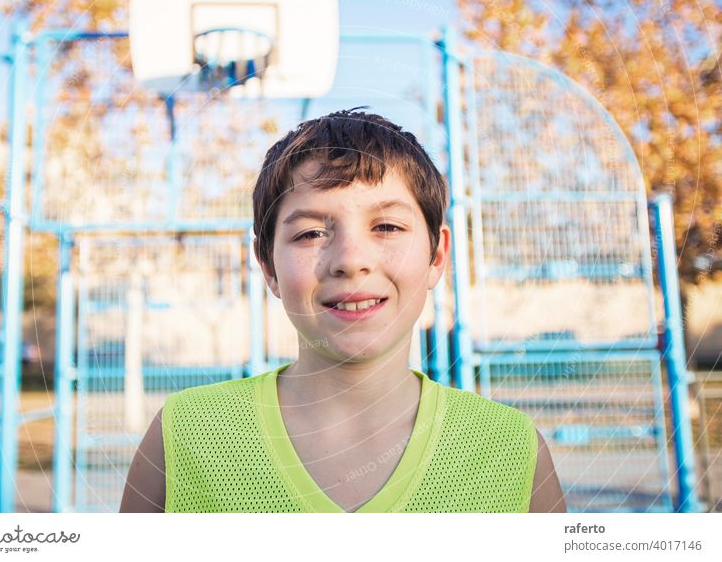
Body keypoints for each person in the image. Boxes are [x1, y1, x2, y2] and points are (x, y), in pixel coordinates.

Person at [119, 108, 566, 513]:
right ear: (268, 267)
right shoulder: (183, 437)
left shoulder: (512, 452)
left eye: (387, 226)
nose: (351, 259)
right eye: (311, 233)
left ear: (437, 256)